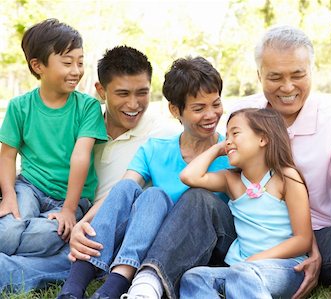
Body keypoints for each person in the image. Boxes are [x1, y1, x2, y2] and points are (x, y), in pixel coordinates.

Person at [124, 25, 331, 299]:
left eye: (297, 74)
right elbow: (193, 134)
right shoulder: (240, 113)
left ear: (312, 71)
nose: (287, 87)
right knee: (198, 198)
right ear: (259, 74)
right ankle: (150, 282)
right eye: (275, 77)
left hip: (316, 236)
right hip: (246, 235)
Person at [0, 45, 179, 293]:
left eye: (142, 93)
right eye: (123, 93)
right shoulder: (82, 124)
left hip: (104, 234)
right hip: (63, 216)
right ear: (101, 91)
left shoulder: (162, 134)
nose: (134, 104)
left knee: (47, 260)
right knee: (32, 228)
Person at [58, 56, 231, 299]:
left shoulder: (232, 152)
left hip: (207, 246)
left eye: (216, 104)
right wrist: (82, 225)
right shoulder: (156, 149)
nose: (211, 115)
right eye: (199, 108)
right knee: (141, 191)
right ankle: (76, 289)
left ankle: (127, 283)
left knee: (197, 196)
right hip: (154, 244)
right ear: (175, 110)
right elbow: (120, 191)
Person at [0, 18, 107, 258]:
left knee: (48, 234)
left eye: (80, 62)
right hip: (30, 187)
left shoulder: (87, 107)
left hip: (71, 198)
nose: (76, 71)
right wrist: (8, 197)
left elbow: (81, 156)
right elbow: (7, 156)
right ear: (38, 66)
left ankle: (15, 248)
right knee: (8, 230)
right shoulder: (20, 107)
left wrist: (69, 210)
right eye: (67, 63)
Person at [179, 108, 312, 298]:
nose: (228, 141)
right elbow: (189, 176)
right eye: (226, 136)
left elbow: (303, 240)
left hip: (285, 267)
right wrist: (217, 148)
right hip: (240, 268)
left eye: (235, 133)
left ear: (262, 139)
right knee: (194, 277)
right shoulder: (231, 181)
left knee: (241, 274)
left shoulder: (286, 177)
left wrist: (255, 261)